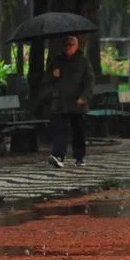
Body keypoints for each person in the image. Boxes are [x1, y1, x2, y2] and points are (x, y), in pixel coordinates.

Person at [45, 36, 95, 168]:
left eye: (71, 45)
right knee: (60, 129)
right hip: (61, 102)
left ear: (77, 46)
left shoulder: (83, 61)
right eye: (66, 45)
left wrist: (84, 97)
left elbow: (90, 82)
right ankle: (58, 155)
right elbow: (47, 80)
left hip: (77, 102)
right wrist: (53, 75)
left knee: (78, 130)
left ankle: (79, 157)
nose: (68, 47)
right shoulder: (58, 60)